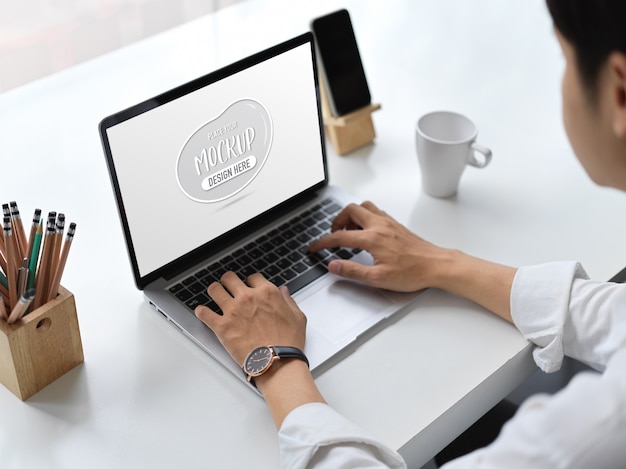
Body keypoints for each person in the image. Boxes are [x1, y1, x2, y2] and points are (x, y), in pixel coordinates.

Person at [194, 0, 626, 466]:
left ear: (619, 91)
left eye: (564, 59)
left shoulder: (593, 436)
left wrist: (273, 360)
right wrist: (439, 262)